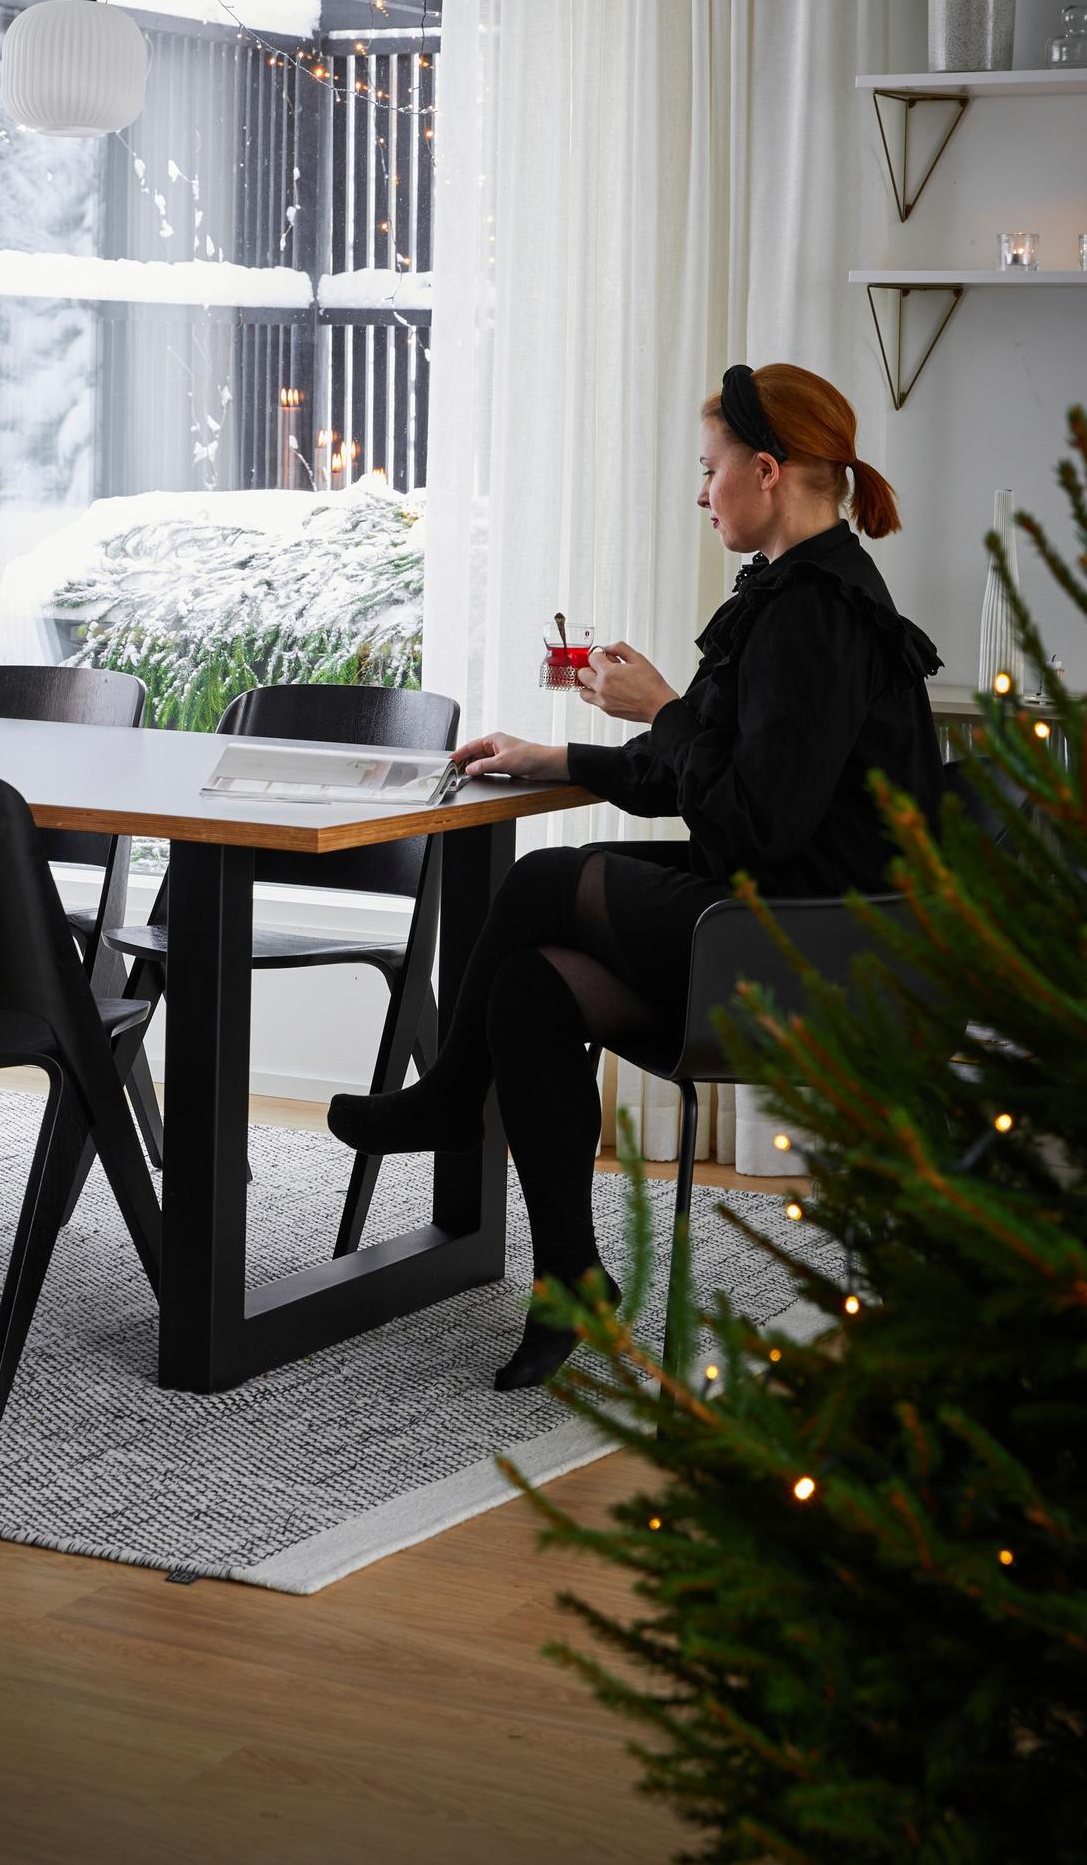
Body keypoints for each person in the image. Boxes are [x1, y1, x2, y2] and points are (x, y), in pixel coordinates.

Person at [328, 362, 944, 1391]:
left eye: (709, 472)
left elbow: (753, 820)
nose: (701, 495)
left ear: (767, 468)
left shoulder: (818, 614)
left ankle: (444, 1099)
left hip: (808, 948)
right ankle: (570, 1281)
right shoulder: (784, 594)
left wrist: (664, 706)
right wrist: (560, 757)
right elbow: (698, 781)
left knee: (539, 885)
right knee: (528, 987)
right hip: (761, 917)